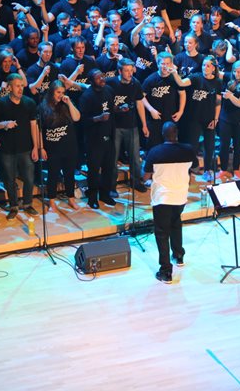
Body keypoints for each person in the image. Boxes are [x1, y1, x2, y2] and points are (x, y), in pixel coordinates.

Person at [143, 122, 195, 284]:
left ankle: (166, 271)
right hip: (180, 196)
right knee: (175, 223)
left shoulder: (155, 152)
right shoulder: (188, 150)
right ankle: (178, 255)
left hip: (162, 198)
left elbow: (145, 175)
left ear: (162, 134)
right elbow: (197, 168)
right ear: (177, 133)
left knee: (162, 232)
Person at [0, 74, 40, 218]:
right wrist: (4, 124)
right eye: (17, 86)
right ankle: (13, 206)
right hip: (7, 149)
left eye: (22, 86)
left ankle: (28, 204)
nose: (20, 89)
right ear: (10, 87)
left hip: (26, 148)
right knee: (9, 179)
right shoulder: (0, 103)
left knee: (29, 178)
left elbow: (33, 126)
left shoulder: (29, 103)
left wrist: (36, 147)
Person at [108, 58, 150, 194]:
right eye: (126, 71)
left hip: (131, 126)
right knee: (112, 158)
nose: (129, 74)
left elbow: (139, 103)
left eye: (131, 71)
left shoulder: (135, 83)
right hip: (115, 127)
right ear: (119, 71)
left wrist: (144, 124)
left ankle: (136, 181)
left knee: (135, 157)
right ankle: (111, 186)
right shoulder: (111, 83)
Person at [38, 80, 81, 212]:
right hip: (52, 147)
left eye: (62, 92)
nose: (60, 95)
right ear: (52, 92)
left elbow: (77, 118)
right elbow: (39, 130)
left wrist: (69, 103)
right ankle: (51, 200)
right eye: (58, 92)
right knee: (53, 174)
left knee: (69, 174)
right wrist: (41, 147)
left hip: (68, 146)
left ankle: (71, 198)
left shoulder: (66, 104)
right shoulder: (43, 107)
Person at [79, 69, 117, 208]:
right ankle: (92, 197)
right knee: (94, 170)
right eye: (98, 78)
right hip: (94, 140)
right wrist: (98, 118)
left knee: (108, 168)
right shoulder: (87, 96)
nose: (102, 79)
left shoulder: (109, 90)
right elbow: (83, 120)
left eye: (102, 76)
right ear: (91, 81)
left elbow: (112, 109)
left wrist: (119, 109)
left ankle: (105, 195)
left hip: (109, 136)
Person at [218, 60, 240, 179]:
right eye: (234, 71)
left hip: (239, 121)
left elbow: (239, 103)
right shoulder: (229, 78)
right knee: (224, 145)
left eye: (238, 72)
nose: (236, 74)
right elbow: (218, 73)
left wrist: (230, 96)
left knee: (238, 145)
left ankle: (236, 169)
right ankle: (223, 169)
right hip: (225, 118)